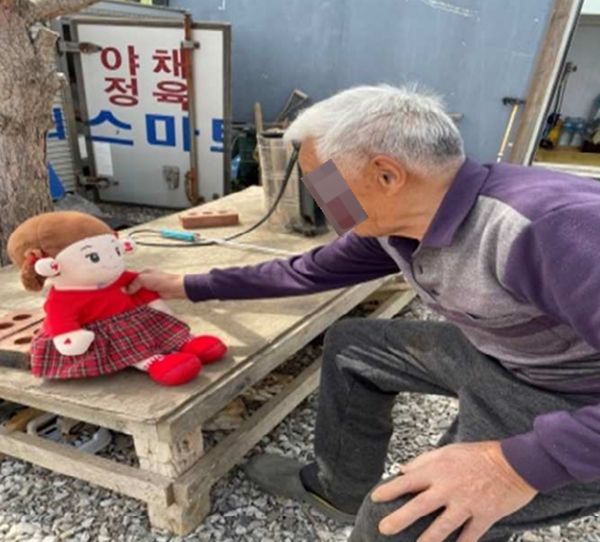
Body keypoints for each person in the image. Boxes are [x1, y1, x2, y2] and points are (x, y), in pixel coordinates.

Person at [128, 85, 600, 541]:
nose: (320, 199)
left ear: (386, 175)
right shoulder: (400, 223)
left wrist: (512, 466)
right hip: (499, 356)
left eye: (323, 182)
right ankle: (339, 489)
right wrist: (187, 285)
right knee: (354, 347)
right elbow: (308, 271)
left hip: (571, 399)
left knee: (398, 518)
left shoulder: (551, 229)